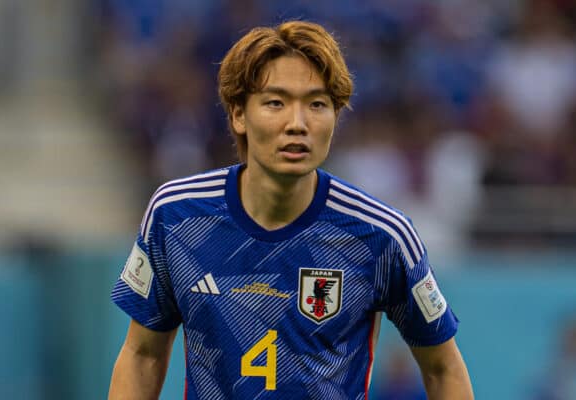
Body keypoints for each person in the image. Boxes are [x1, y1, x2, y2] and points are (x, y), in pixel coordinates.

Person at [108, 20, 474, 399]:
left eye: (317, 104)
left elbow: (443, 367)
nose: (297, 124)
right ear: (238, 114)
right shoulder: (176, 216)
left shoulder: (381, 235)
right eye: (276, 103)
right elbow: (142, 354)